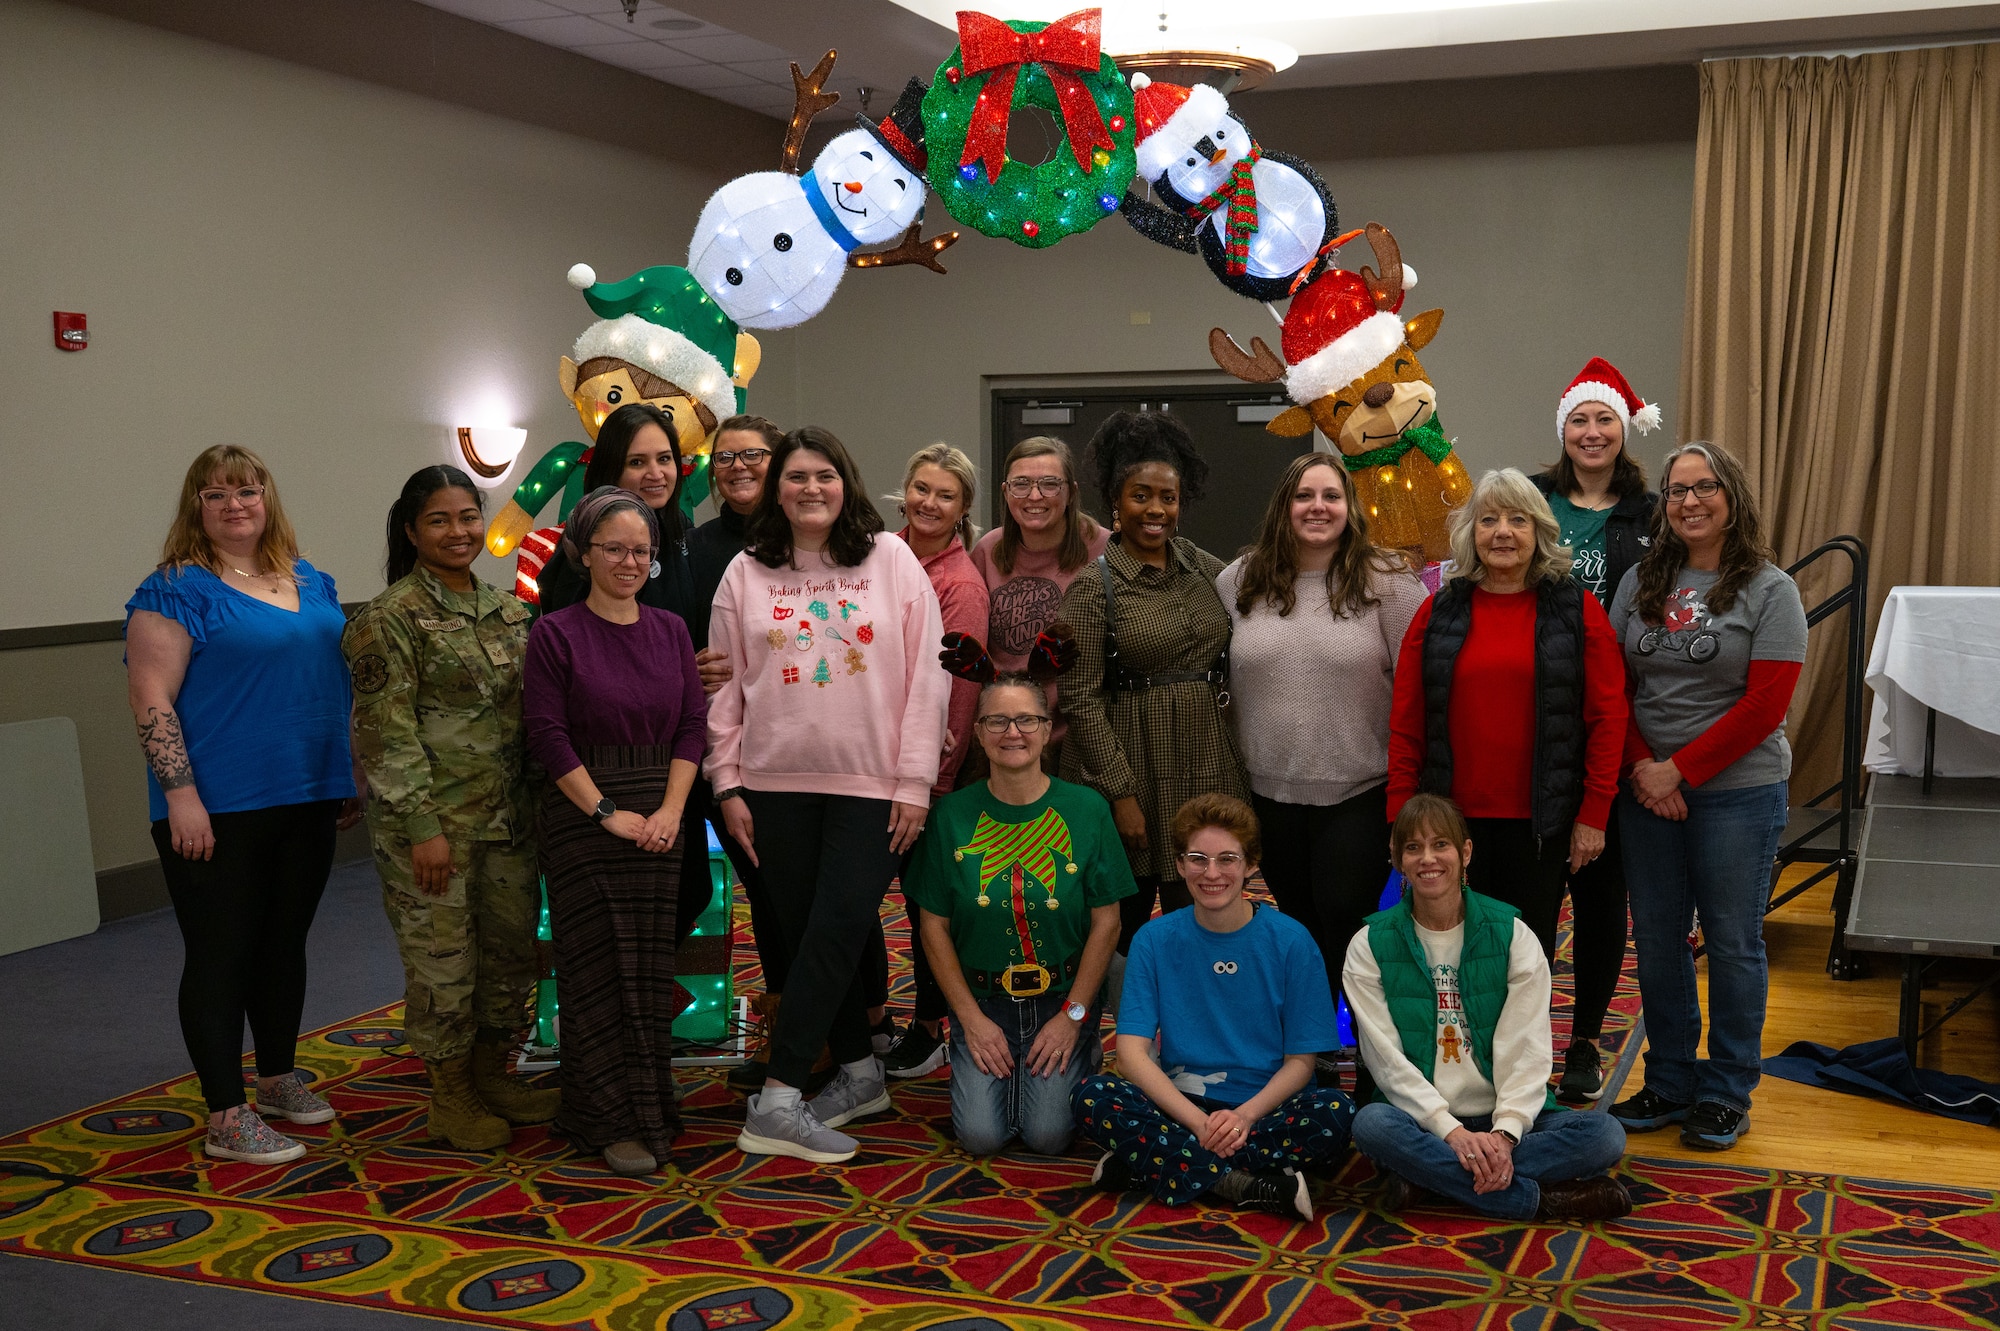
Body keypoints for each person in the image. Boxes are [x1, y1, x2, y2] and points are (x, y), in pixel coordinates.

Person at [707, 426, 949, 1163]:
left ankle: (778, 1099)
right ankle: (860, 1072)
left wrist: (913, 783)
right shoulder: (744, 572)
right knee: (811, 931)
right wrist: (727, 782)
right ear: (774, 488)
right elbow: (722, 687)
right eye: (796, 476)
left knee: (837, 927)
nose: (811, 488)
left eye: (825, 475)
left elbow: (927, 681)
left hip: (871, 787)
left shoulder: (892, 559)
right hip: (770, 787)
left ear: (845, 482)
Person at [124, 445, 358, 1165]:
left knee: (283, 944)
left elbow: (331, 681)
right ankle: (226, 1113)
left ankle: (279, 1075)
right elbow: (150, 696)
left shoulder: (312, 580)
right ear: (196, 506)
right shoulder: (173, 589)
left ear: (267, 498)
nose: (234, 505)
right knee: (222, 953)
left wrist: (345, 773)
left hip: (309, 792)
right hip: (217, 805)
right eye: (216, 495)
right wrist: (180, 794)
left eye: (247, 491)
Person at [343, 466, 552, 1153]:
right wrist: (423, 830)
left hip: (509, 825)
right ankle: (450, 1094)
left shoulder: (511, 611)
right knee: (444, 963)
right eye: (439, 519)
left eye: (468, 516)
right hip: (432, 832)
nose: (458, 531)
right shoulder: (389, 618)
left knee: (508, 954)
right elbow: (386, 734)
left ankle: (491, 1073)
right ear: (411, 530)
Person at [1608, 442, 1805, 1151]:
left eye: (1705, 487)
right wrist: (1643, 768)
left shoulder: (1770, 588)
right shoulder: (1639, 581)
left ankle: (1725, 1091)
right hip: (1646, 788)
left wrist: (1678, 771)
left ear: (1733, 498)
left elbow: (1765, 705)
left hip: (1738, 794)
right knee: (1658, 938)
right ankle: (1668, 1079)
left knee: (1731, 939)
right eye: (1676, 490)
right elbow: (1613, 687)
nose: (1690, 501)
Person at [524, 487, 708, 1177]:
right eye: (615, 549)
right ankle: (602, 1114)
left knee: (650, 968)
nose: (629, 560)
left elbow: (693, 725)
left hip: (661, 817)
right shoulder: (555, 633)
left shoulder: (668, 630)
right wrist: (606, 811)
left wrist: (669, 811)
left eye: (642, 550)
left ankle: (650, 1103)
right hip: (585, 818)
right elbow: (547, 735)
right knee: (596, 970)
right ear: (584, 552)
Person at [1346, 793, 1631, 1221]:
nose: (1428, 859)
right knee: (1371, 1125)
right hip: (1423, 1122)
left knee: (1605, 1135)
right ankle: (1536, 1202)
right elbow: (1386, 1063)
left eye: (1440, 845)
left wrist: (1505, 1133)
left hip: (1506, 1118)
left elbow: (1530, 1049)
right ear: (1396, 859)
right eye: (1413, 848)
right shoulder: (1370, 944)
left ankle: (1429, 1179)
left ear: (1465, 853)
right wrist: (1451, 1132)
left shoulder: (1512, 934)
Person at [1072, 795, 1354, 1221]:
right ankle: (1244, 1183)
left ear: (1251, 864)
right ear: (1181, 864)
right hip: (1181, 1106)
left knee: (1336, 1114)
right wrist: (1202, 1126)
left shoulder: (1293, 941)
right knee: (1092, 1096)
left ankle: (1150, 1164)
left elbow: (1302, 1062)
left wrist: (1242, 1116)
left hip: (1264, 1108)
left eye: (1227, 859)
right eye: (1198, 859)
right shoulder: (1154, 939)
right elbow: (1130, 1054)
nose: (1212, 873)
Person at [1217, 453, 1426, 1023]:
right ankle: (1314, 1052)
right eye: (1304, 496)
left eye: (1331, 496)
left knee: (1346, 922)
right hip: (1268, 792)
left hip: (1359, 789)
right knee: (1299, 924)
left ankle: (1367, 1054)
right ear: (1283, 507)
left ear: (1350, 507)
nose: (1317, 507)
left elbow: (1424, 685)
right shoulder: (1239, 580)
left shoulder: (1388, 581)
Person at [1387, 468, 1627, 965]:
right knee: (1452, 949)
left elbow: (1608, 717)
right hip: (1450, 822)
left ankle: (1521, 1046)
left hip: (1542, 822)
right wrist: (1400, 817)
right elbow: (1407, 720)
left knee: (1526, 954)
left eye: (1518, 519)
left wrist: (1594, 814)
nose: (1502, 532)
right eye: (1488, 519)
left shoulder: (1577, 611)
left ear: (1539, 531)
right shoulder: (1437, 612)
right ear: (1470, 534)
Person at [906, 673, 1131, 1154]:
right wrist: (969, 1020)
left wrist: (1073, 1017)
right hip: (983, 1003)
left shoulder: (1087, 809)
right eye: (998, 721)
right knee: (980, 1138)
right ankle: (993, 1066)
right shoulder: (950, 817)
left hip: (1062, 998)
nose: (1013, 732)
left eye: (1027, 719)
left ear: (1048, 730)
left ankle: (1081, 1049)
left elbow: (1107, 923)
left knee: (1049, 1137)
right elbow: (933, 928)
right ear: (979, 732)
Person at [536, 404, 732, 955]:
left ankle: (639, 1021)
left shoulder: (678, 539)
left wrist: (694, 674)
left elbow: (682, 640)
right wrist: (670, 678)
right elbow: (579, 664)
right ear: (609, 473)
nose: (656, 474)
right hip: (601, 765)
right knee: (612, 912)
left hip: (673, 760)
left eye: (665, 458)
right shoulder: (579, 557)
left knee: (683, 892)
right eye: (637, 461)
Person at [1058, 411, 1248, 965]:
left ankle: (1200, 1037)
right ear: (1115, 502)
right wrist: (1122, 796)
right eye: (1142, 496)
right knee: (1122, 925)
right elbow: (1081, 700)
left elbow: (1264, 591)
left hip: (1205, 760)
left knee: (1206, 910)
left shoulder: (1202, 568)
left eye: (1169, 497)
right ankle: (1107, 1035)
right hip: (1134, 765)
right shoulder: (1094, 588)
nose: (1157, 510)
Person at [1532, 359, 1664, 1102]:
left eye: (1603, 419)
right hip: (1538, 720)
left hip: (1619, 717)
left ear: (1622, 429)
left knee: (1602, 893)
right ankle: (1521, 1033)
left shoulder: (1648, 514)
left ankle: (1583, 1040)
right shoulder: (1533, 500)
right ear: (1563, 432)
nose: (1591, 431)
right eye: (1578, 419)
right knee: (1534, 889)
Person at [875, 443, 991, 1080]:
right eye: (920, 488)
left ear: (963, 508)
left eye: (944, 495)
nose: (928, 503)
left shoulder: (960, 585)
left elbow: (960, 695)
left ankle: (928, 1025)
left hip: (926, 778)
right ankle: (872, 1018)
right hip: (868, 760)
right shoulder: (877, 555)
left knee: (926, 906)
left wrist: (932, 783)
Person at [689, 414, 786, 1094]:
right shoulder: (692, 549)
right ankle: (788, 1031)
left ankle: (858, 1027)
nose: (739, 466)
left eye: (754, 454)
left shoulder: (808, 539)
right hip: (725, 753)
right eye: (725, 457)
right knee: (766, 896)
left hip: (801, 750)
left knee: (819, 898)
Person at [968, 436, 1111, 745]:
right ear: (1006, 493)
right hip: (1006, 735)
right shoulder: (987, 550)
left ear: (1071, 492)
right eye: (1021, 484)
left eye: (1050, 484)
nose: (1034, 496)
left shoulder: (1104, 549)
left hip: (1080, 735)